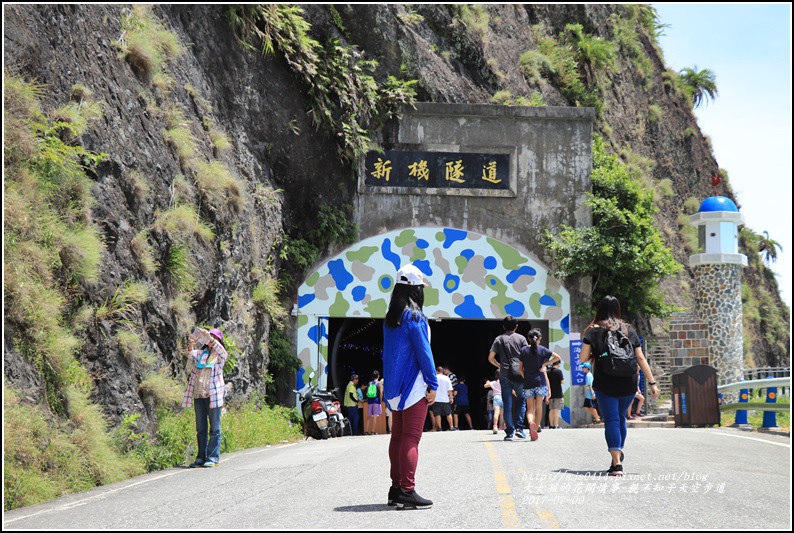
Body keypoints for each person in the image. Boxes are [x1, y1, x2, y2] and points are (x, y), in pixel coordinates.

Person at [580, 295, 660, 477]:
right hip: (628, 383)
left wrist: (595, 350)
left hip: (605, 382)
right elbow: (640, 358)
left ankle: (616, 463)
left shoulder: (593, 330)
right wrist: (652, 383)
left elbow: (583, 358)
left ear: (599, 309)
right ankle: (616, 457)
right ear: (617, 309)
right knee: (620, 419)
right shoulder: (628, 329)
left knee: (612, 420)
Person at [383, 264, 438, 509]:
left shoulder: (390, 318)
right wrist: (433, 382)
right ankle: (408, 489)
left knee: (397, 437)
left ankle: (395, 489)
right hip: (414, 386)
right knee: (411, 439)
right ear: (416, 289)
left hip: (395, 388)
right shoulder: (415, 317)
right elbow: (423, 353)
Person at [183, 328, 228, 468]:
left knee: (215, 428)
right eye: (209, 336)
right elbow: (190, 355)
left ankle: (213, 457)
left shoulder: (220, 356)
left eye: (214, 337)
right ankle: (201, 457)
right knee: (200, 428)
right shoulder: (201, 354)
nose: (210, 339)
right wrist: (191, 344)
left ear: (218, 340)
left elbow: (222, 351)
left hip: (213, 396)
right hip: (199, 395)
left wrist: (211, 340)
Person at [487, 316, 527, 441]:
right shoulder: (521, 338)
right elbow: (527, 356)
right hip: (519, 373)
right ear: (516, 326)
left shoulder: (499, 339)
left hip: (504, 374)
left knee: (507, 403)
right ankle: (520, 428)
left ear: (503, 326)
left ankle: (510, 432)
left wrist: (499, 365)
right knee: (521, 400)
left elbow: (490, 358)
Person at [521, 328, 561, 441]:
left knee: (530, 409)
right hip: (540, 382)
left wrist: (525, 378)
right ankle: (537, 426)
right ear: (540, 339)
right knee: (539, 407)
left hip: (528, 383)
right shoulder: (543, 350)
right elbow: (558, 357)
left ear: (528, 338)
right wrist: (545, 363)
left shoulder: (523, 350)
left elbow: (520, 368)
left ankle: (530, 423)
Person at [431, 366, 454, 431]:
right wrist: (451, 398)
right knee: (448, 413)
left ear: (437, 371)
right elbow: (449, 389)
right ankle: (451, 426)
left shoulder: (434, 377)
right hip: (445, 399)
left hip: (436, 399)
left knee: (437, 414)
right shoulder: (446, 378)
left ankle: (440, 428)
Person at [484, 370, 504, 434]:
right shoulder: (504, 382)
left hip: (496, 397)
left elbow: (485, 386)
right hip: (503, 397)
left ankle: (495, 426)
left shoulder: (494, 382)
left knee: (496, 413)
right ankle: (501, 426)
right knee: (502, 414)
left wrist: (487, 382)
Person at [546, 360, 565, 429]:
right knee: (556, 410)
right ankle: (556, 425)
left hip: (550, 393)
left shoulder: (548, 372)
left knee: (551, 410)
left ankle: (551, 425)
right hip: (558, 393)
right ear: (559, 364)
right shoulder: (558, 371)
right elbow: (562, 382)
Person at [365, 370, 384, 435]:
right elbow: (381, 392)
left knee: (369, 416)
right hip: (376, 401)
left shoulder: (369, 383)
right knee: (375, 416)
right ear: (378, 376)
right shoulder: (379, 383)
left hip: (370, 401)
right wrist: (381, 400)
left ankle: (366, 430)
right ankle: (373, 431)